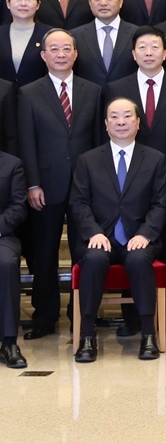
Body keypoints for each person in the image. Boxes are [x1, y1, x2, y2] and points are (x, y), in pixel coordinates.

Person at [107, 26, 166, 336]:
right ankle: (132, 320)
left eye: (154, 47)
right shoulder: (116, 88)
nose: (148, 52)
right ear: (133, 54)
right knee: (130, 247)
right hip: (127, 184)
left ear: (165, 53)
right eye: (142, 47)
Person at [70, 98, 166, 362]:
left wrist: (145, 234)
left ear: (137, 123)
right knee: (93, 259)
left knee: (138, 260)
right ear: (106, 124)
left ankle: (148, 334)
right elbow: (78, 203)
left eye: (127, 116)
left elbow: (160, 204)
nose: (121, 122)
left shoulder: (155, 159)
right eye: (114, 116)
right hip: (99, 237)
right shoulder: (88, 160)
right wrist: (94, 232)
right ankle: (87, 336)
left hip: (139, 237)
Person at [18, 28, 103, 339]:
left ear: (75, 54)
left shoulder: (93, 91)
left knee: (86, 252)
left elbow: (98, 142)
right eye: (54, 49)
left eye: (66, 48)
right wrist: (32, 184)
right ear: (43, 55)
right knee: (44, 254)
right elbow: (26, 142)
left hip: (85, 186)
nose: (61, 54)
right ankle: (45, 316)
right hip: (45, 185)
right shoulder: (28, 93)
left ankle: (83, 314)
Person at [70, 0, 138, 87]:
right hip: (88, 96)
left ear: (120, 1)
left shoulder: (137, 34)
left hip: (127, 95)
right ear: (90, 3)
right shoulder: (75, 36)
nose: (103, 3)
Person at [0, 150, 28, 368]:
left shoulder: (12, 164)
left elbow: (18, 207)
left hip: (3, 235)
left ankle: (9, 343)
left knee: (7, 263)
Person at [0, 0, 50, 88]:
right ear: (8, 3)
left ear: (38, 5)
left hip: (37, 95)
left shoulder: (49, 35)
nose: (23, 3)